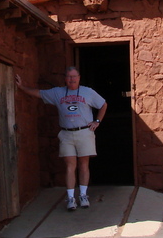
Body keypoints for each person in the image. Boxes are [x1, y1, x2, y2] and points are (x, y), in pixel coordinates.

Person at [16, 66, 107, 211]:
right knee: (70, 165)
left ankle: (83, 195)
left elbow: (103, 104)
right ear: (65, 78)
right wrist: (22, 87)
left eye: (74, 77)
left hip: (84, 131)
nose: (72, 79)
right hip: (66, 133)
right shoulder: (58, 92)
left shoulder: (87, 92)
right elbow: (39, 93)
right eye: (69, 77)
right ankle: (71, 198)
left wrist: (97, 121)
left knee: (84, 164)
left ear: (79, 78)